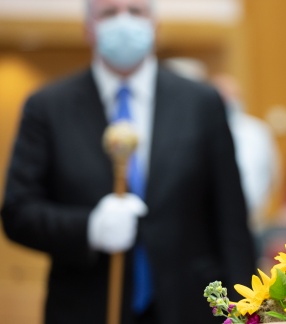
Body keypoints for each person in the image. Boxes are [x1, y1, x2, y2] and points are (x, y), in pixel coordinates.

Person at [0, 0, 257, 323]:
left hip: (189, 306)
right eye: (109, 12)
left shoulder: (201, 103)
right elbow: (18, 212)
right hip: (86, 307)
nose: (124, 21)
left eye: (135, 11)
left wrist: (243, 310)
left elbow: (231, 218)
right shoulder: (48, 108)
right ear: (88, 29)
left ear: (156, 25)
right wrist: (89, 228)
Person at [211, 73, 280, 236]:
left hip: (254, 223)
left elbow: (273, 175)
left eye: (233, 96)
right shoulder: (201, 133)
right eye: (223, 97)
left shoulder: (257, 131)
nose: (229, 102)